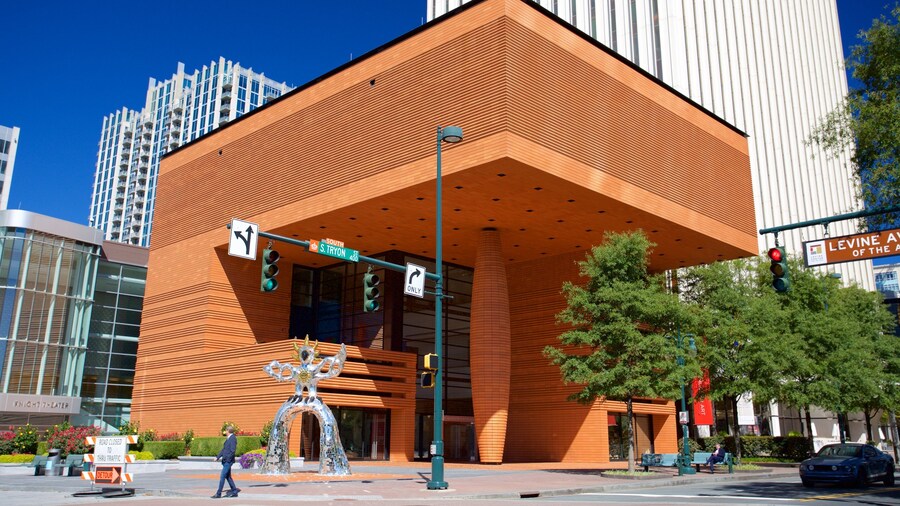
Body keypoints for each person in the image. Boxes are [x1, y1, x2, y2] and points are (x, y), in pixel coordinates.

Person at [212, 426, 240, 498]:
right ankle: (234, 491)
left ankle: (218, 493)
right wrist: (217, 457)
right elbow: (224, 450)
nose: (225, 432)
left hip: (228, 461)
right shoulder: (229, 438)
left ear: (228, 431)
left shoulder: (233, 438)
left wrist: (228, 459)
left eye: (226, 431)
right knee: (228, 477)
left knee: (222, 476)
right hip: (226, 461)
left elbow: (232, 451)